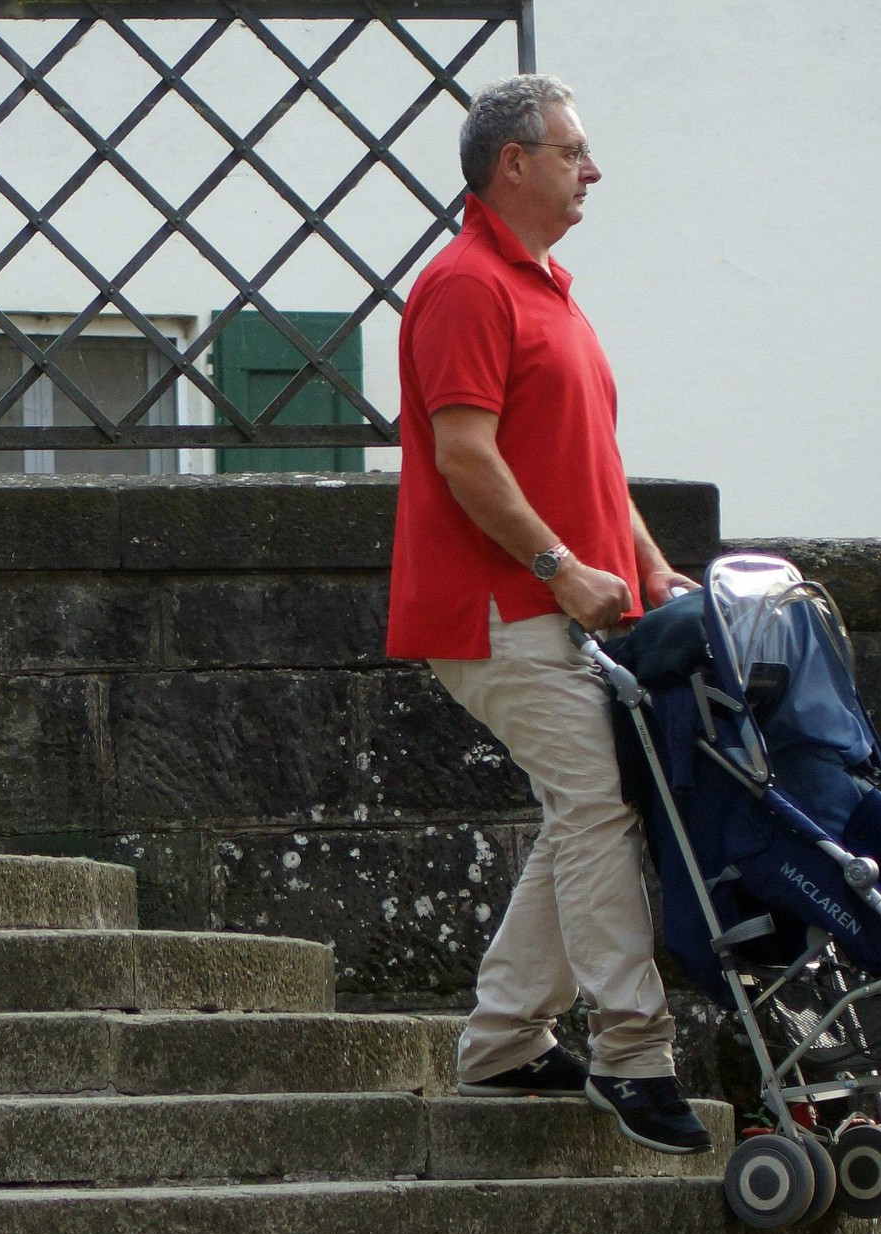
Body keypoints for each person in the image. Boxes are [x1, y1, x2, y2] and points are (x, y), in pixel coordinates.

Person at [387, 75, 709, 1155]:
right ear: (509, 164)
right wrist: (559, 566)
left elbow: (591, 467)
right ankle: (631, 1049)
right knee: (599, 802)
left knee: (589, 807)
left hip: (553, 601)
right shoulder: (465, 287)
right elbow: (463, 455)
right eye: (572, 150)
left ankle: (501, 1040)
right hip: (495, 610)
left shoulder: (545, 291)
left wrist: (653, 570)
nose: (592, 168)